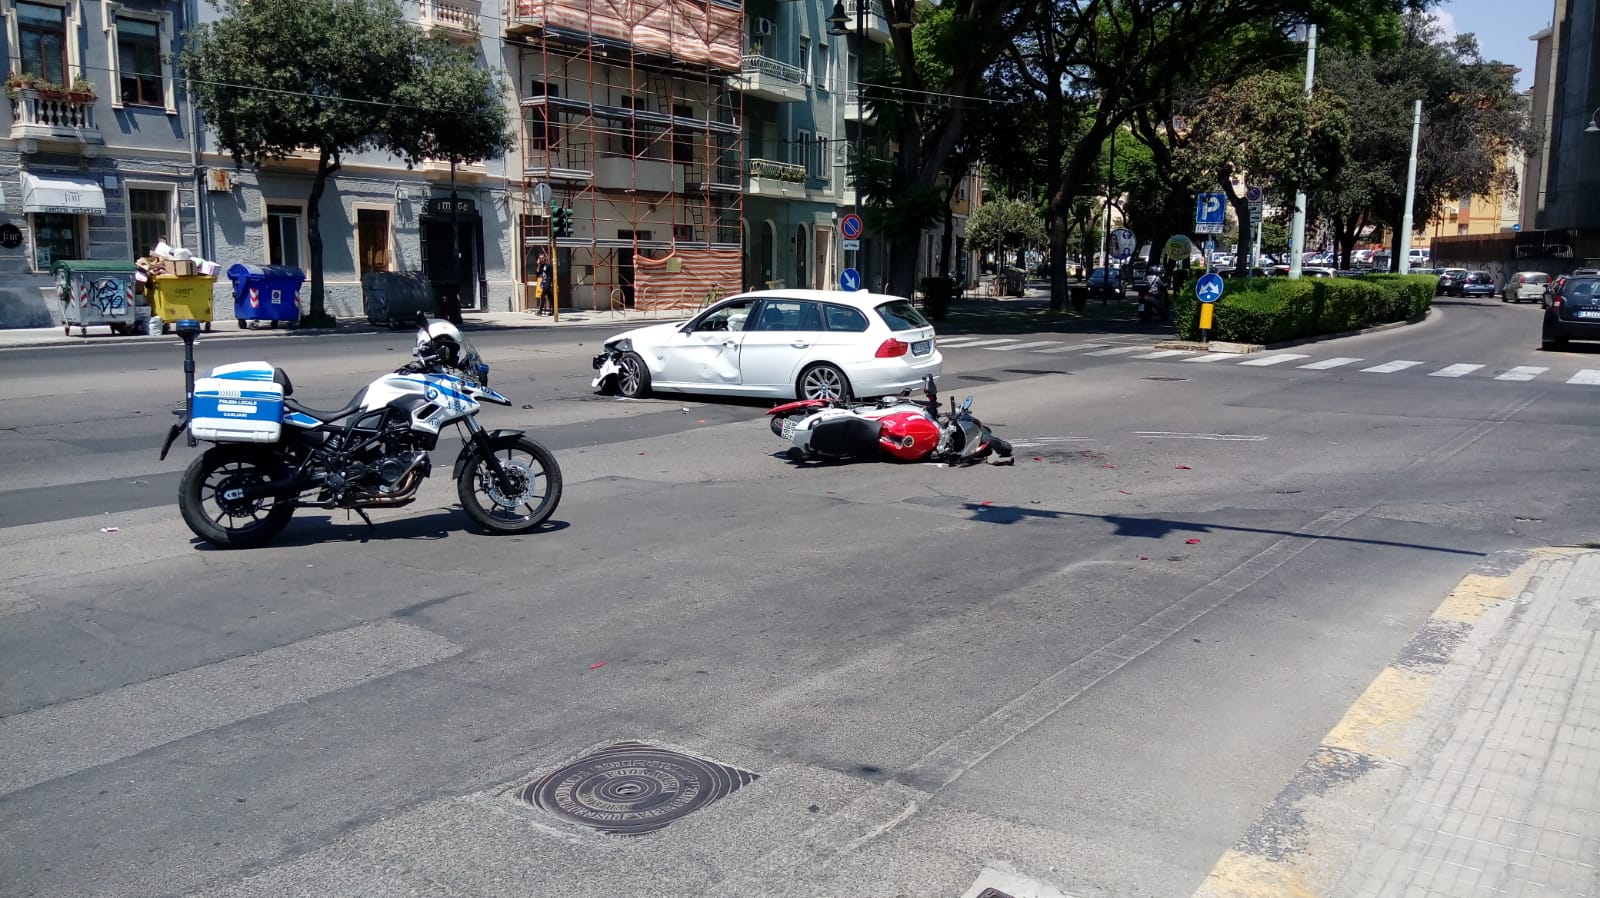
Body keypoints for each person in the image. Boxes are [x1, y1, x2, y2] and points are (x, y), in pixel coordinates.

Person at [534, 251, 554, 315]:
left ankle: (540, 311)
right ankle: (554, 311)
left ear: (545, 258)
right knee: (550, 297)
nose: (541, 259)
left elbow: (552, 275)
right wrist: (538, 265)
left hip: (548, 281)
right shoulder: (541, 266)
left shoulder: (548, 265)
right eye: (540, 258)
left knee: (542, 295)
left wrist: (552, 283)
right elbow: (537, 274)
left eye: (542, 258)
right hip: (544, 282)